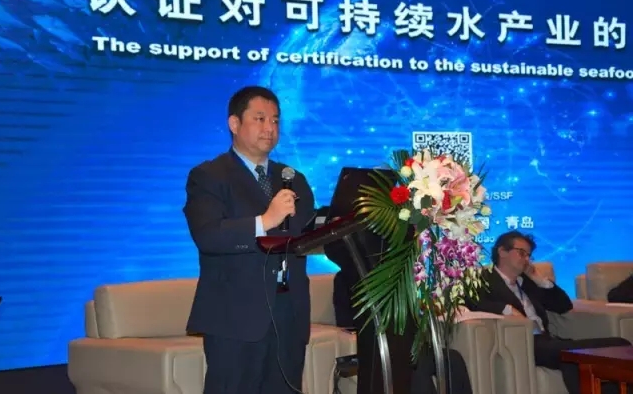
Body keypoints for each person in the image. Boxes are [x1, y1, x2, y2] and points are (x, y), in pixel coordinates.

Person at [183, 86, 316, 394]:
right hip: (235, 319)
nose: (270, 128)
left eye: (275, 120)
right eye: (260, 119)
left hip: (289, 315)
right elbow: (208, 235)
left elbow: (307, 236)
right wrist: (265, 221)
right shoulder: (209, 175)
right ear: (234, 124)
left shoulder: (293, 178)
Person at [466, 231, 631, 394]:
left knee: (617, 345)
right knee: (601, 351)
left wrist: (540, 280)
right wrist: (506, 309)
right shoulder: (483, 279)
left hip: (548, 342)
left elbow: (564, 306)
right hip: (524, 344)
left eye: (529, 255)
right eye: (521, 253)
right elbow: (471, 302)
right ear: (502, 251)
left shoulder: (528, 283)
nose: (526, 259)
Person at [326, 230, 474, 394]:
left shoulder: (400, 276)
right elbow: (345, 321)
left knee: (452, 359)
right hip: (378, 346)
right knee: (416, 366)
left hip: (407, 343)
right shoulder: (347, 278)